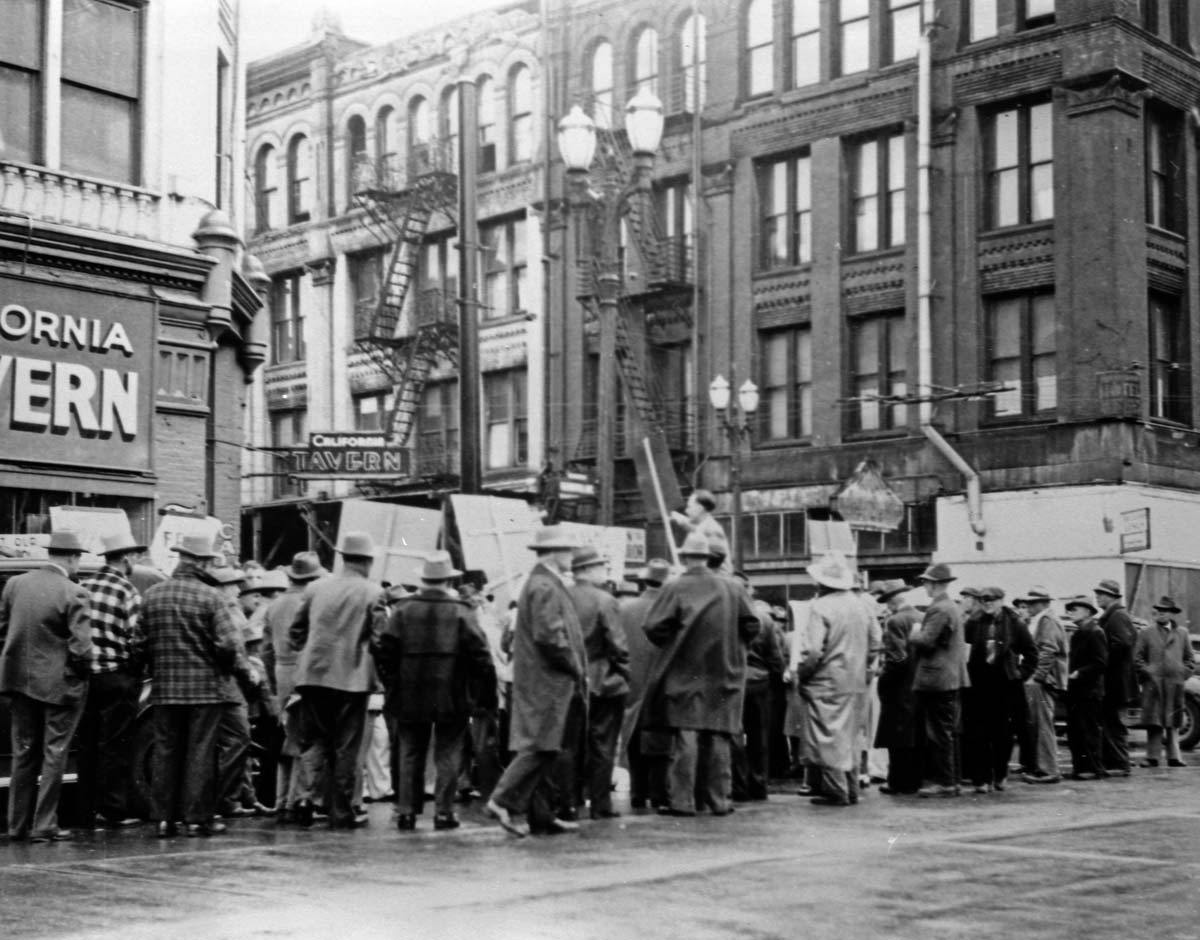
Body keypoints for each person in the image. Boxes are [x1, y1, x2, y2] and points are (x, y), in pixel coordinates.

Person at [372, 551, 496, 832]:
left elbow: (385, 652)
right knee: (449, 752)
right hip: (451, 692)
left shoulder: (403, 610)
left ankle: (406, 811)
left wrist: (393, 683)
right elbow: (481, 656)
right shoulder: (462, 610)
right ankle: (443, 811)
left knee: (410, 751)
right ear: (448, 579)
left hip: (408, 692)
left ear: (424, 579)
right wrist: (477, 692)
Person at [641, 532, 759, 817]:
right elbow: (753, 625)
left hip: (685, 672)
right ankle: (719, 800)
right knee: (719, 735)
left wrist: (676, 641)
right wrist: (735, 648)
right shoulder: (733, 588)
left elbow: (653, 627)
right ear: (708, 557)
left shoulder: (675, 587)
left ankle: (682, 801)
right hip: (726, 673)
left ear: (683, 558)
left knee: (686, 734)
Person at [142, 534, 247, 838]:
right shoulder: (211, 597)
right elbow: (230, 643)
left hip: (164, 689)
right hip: (205, 689)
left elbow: (138, 644)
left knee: (165, 751)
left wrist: (155, 665)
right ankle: (197, 818)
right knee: (200, 753)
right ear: (200, 562)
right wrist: (225, 667)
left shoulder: (153, 595)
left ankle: (164, 819)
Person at [486, 526, 586, 838]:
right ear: (555, 553)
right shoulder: (545, 585)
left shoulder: (542, 582)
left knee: (546, 745)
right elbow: (550, 637)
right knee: (541, 745)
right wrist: (575, 666)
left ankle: (541, 814)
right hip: (548, 681)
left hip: (542, 679)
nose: (572, 557)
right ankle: (501, 800)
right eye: (568, 551)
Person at [289, 532, 388, 830]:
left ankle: (303, 798)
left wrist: (308, 652)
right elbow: (381, 640)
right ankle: (343, 811)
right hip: (351, 679)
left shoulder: (315, 587)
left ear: (343, 557)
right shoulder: (373, 592)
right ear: (368, 561)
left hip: (312, 675)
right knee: (347, 746)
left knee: (314, 741)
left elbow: (296, 632)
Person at [0, 530, 92, 842]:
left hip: (17, 681)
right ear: (72, 557)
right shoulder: (74, 592)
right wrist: (80, 675)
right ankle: (45, 824)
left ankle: (16, 825)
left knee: (23, 753)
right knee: (55, 753)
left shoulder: (15, 585)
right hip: (58, 685)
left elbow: (4, 629)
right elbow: (82, 647)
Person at [77, 532, 147, 830]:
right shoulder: (126, 590)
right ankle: (113, 809)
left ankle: (84, 808)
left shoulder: (84, 585)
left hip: (86, 677)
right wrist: (134, 668)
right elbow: (136, 637)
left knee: (87, 743)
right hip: (117, 676)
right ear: (127, 558)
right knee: (115, 745)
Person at [793, 552, 873, 807]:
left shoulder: (821, 607)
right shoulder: (861, 605)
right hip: (855, 680)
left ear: (822, 583)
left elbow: (813, 650)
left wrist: (802, 674)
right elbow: (876, 641)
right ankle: (850, 789)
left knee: (828, 737)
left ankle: (836, 790)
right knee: (850, 737)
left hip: (826, 681)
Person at [261, 551, 326, 825]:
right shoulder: (311, 602)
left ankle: (281, 800)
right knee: (310, 740)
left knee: (287, 737)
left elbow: (266, 651)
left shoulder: (273, 606)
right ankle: (301, 798)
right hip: (306, 672)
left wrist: (275, 685)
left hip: (281, 671)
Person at [570, 546, 630, 820]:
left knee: (571, 743)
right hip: (604, 681)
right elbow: (618, 645)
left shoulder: (562, 596)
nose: (605, 572)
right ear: (587, 570)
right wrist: (625, 674)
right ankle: (600, 803)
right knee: (603, 744)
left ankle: (570, 799)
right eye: (601, 567)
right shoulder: (605, 600)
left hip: (571, 680)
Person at [963, 587, 1036, 793]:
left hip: (1005, 685)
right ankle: (981, 778)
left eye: (992, 600)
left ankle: (1000, 774)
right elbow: (964, 650)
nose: (988, 603)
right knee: (978, 733)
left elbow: (1031, 654)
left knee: (1002, 733)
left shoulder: (1015, 623)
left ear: (1001, 601)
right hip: (979, 685)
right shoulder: (974, 622)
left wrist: (1020, 674)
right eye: (984, 600)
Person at [911, 563, 967, 799]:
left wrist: (913, 633)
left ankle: (944, 781)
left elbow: (926, 641)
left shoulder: (940, 609)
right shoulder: (949, 607)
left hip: (937, 679)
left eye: (926, 582)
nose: (924, 586)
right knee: (945, 731)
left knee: (938, 733)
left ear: (935, 583)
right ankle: (950, 780)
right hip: (947, 677)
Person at [621, 558, 672, 811]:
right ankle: (659, 793)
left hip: (632, 680)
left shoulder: (626, 608)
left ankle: (637, 792)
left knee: (633, 736)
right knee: (660, 741)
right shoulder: (672, 609)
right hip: (663, 682)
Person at [1134, 596, 1194, 768]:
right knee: (1154, 721)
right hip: (1153, 684)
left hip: (1174, 684)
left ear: (1171, 614)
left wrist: (1182, 673)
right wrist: (1148, 672)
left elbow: (1190, 659)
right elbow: (1137, 658)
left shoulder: (1182, 633)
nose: (1160, 613)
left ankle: (1175, 756)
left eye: (1164, 610)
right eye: (1158, 610)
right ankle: (1152, 757)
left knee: (1173, 720)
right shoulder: (1146, 633)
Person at [874, 580, 922, 795]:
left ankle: (897, 781)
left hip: (899, 686)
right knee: (914, 736)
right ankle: (914, 779)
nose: (886, 606)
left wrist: (884, 682)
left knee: (896, 737)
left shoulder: (894, 621)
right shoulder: (920, 617)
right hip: (919, 683)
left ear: (893, 601)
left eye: (886, 602)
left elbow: (897, 658)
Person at [1022, 586, 1067, 784]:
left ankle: (1048, 769)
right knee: (1041, 723)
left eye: (1033, 603)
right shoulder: (1044, 620)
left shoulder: (1047, 621)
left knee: (1042, 724)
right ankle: (1043, 767)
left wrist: (1036, 677)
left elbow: (1049, 650)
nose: (1029, 606)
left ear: (1043, 603)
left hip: (1044, 681)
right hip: (1044, 679)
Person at [1094, 578, 1137, 775]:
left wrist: (1103, 659)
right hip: (1115, 680)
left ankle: (1120, 764)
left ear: (1112, 597)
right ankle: (1115, 763)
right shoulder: (1114, 615)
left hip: (1116, 680)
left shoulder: (1117, 616)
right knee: (1111, 722)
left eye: (1101, 594)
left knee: (1114, 723)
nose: (1097, 598)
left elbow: (1122, 643)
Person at [1064, 595, 1108, 779]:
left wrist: (1079, 673)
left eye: (1075, 609)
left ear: (1088, 611)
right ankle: (1080, 768)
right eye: (1070, 609)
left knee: (1088, 731)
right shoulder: (1079, 633)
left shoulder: (1095, 632)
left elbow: (1100, 663)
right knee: (1076, 731)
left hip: (1089, 691)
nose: (1071, 612)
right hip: (1077, 690)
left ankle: (1091, 769)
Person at [669, 490, 730, 573]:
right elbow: (694, 528)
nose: (686, 511)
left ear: (700, 508)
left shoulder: (712, 530)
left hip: (716, 578)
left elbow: (712, 562)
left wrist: (683, 569)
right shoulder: (703, 524)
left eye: (689, 506)